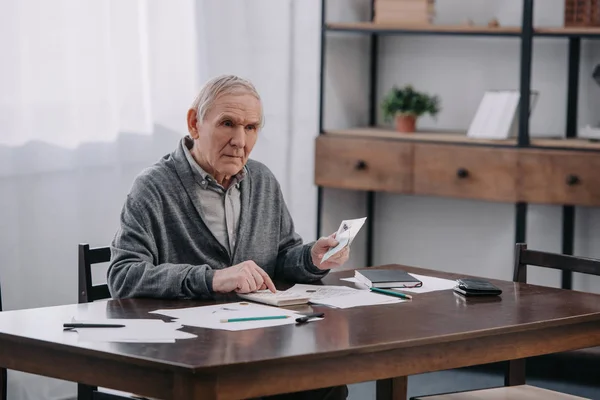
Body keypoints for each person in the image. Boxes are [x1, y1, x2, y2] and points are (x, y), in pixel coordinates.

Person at [108, 74, 350, 399]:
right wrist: (212, 279)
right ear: (195, 123)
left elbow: (282, 257)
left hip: (256, 346)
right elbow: (123, 276)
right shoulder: (154, 187)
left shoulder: (262, 181)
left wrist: (311, 258)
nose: (240, 140)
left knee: (328, 381)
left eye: (251, 128)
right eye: (228, 124)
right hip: (187, 355)